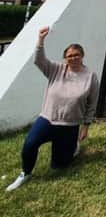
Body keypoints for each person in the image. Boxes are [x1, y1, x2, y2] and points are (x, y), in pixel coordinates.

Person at [6, 26, 99, 192]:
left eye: (76, 54)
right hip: (47, 119)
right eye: (69, 56)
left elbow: (92, 102)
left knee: (59, 166)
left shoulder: (90, 76)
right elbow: (39, 61)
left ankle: (72, 148)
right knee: (30, 144)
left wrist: (86, 126)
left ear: (82, 56)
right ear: (65, 59)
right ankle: (25, 173)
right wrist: (41, 40)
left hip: (69, 125)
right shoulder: (56, 69)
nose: (73, 58)